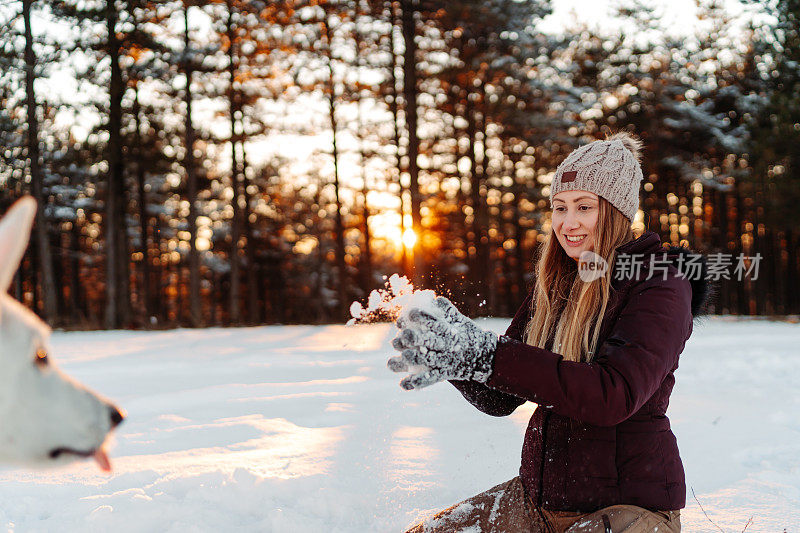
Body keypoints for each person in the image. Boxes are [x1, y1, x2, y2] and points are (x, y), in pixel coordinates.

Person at [388, 131, 713, 532]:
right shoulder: (558, 281)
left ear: (615, 211)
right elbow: (500, 398)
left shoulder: (661, 281)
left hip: (629, 511)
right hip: (538, 504)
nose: (568, 222)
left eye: (584, 207)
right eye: (559, 207)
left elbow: (613, 395)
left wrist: (490, 355)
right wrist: (459, 356)